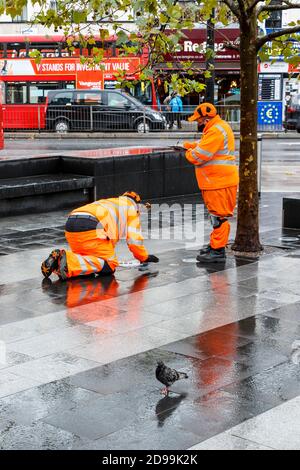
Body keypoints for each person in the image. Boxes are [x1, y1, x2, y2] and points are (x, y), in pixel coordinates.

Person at [41, 191, 159, 280]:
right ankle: (68, 263)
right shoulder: (131, 208)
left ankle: (59, 259)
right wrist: (144, 257)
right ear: (137, 204)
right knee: (109, 266)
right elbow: (134, 241)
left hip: (71, 224)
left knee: (86, 256)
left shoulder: (110, 202)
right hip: (92, 227)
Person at [183, 102, 239, 263]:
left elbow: (198, 156)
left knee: (219, 217)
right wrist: (188, 146)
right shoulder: (217, 127)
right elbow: (203, 146)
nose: (197, 123)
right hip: (217, 181)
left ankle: (218, 251)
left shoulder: (215, 131)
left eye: (198, 121)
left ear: (206, 119)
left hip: (219, 182)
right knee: (216, 215)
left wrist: (188, 152)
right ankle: (215, 244)